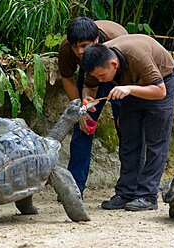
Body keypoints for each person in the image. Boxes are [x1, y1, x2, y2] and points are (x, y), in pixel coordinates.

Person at [81, 34, 174, 211]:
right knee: (129, 139)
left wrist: (129, 89)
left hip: (161, 82)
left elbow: (160, 91)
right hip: (130, 86)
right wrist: (87, 99)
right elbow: (89, 86)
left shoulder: (137, 56)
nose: (101, 81)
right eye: (97, 77)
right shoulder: (97, 61)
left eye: (102, 76)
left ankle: (147, 196)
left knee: (156, 141)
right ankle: (126, 193)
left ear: (113, 65)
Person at [58, 17, 128, 195]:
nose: (80, 51)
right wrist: (81, 112)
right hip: (89, 76)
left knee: (126, 127)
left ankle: (128, 189)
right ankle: (73, 189)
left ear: (97, 40)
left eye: (85, 46)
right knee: (83, 128)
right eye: (76, 47)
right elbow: (67, 78)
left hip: (119, 73)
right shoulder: (67, 48)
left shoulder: (115, 42)